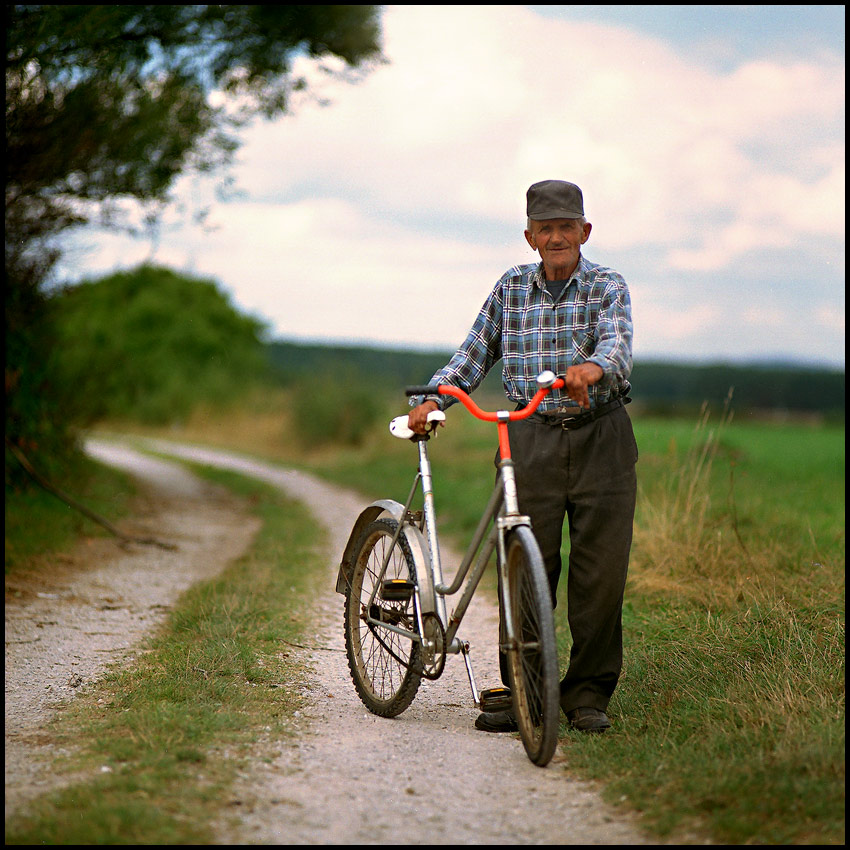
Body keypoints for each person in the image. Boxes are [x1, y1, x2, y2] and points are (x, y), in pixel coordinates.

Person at [408, 179, 637, 735]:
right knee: (524, 568)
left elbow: (617, 344)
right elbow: (474, 350)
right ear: (530, 236)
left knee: (599, 578)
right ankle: (525, 691)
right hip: (528, 436)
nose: (557, 237)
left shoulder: (607, 285)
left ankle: (586, 695)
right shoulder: (510, 287)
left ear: (585, 232)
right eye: (546, 228)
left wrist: (595, 369)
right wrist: (435, 397)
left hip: (600, 437)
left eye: (567, 227)